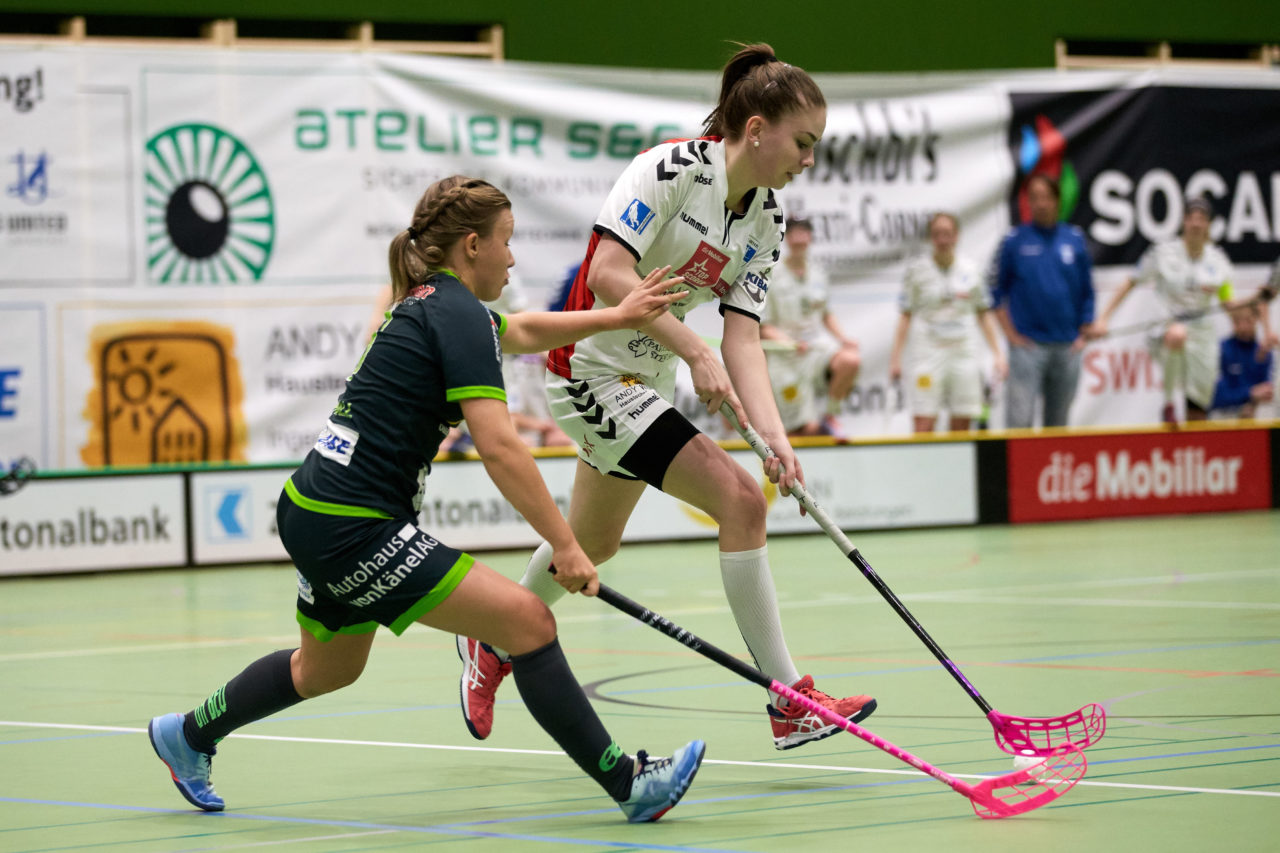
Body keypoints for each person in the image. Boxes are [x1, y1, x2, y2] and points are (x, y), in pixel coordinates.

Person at [147, 176, 706, 824]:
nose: (513, 257)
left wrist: (615, 314)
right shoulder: (457, 311)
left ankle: (186, 734)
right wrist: (566, 543)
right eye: (506, 242)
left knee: (326, 669)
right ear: (473, 245)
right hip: (354, 523)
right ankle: (629, 782)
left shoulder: (434, 301)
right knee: (529, 620)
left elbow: (521, 329)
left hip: (313, 506)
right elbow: (499, 447)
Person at [455, 44, 876, 753]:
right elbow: (609, 275)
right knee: (741, 502)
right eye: (802, 143)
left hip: (644, 378)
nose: (809, 159)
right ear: (755, 129)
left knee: (594, 541)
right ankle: (789, 700)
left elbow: (742, 337)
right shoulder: (671, 169)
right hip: (587, 369)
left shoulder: (766, 220)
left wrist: (776, 437)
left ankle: (491, 636)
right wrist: (691, 346)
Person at [1091, 197, 1274, 424]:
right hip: (1166, 327)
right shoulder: (1161, 254)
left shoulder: (1218, 262)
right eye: (1191, 218)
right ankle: (1168, 404)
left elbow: (1230, 305)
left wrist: (1258, 298)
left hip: (1202, 336)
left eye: (1201, 219)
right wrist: (1103, 318)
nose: (1196, 223)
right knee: (1177, 335)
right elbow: (1131, 282)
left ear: (1208, 224)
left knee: (1199, 407)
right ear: (1183, 222)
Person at [990, 173, 1095, 428]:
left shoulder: (1074, 239)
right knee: (1019, 422)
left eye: (1046, 197)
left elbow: (1087, 291)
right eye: (1034, 198)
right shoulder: (1013, 241)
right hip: (1028, 348)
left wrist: (1085, 329)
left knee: (1058, 425)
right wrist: (1011, 335)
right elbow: (994, 292)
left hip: (1067, 347)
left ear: (1057, 201)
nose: (1041, 204)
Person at [889, 212, 1007, 433]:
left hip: (962, 351)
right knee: (924, 422)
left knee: (962, 420)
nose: (942, 239)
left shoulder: (972, 270)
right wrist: (895, 359)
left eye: (947, 234)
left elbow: (983, 313)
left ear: (956, 236)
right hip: (927, 352)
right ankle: (922, 468)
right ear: (930, 238)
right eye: (937, 234)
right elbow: (905, 315)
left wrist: (998, 354)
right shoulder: (917, 271)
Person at [759, 216, 861, 437]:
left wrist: (843, 339)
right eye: (794, 234)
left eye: (804, 233)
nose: (799, 239)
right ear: (787, 239)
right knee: (800, 431)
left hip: (814, 350)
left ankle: (831, 415)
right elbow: (762, 326)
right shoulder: (771, 273)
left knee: (850, 360)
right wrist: (787, 343)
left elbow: (825, 314)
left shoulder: (818, 273)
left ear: (810, 237)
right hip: (784, 358)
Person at [1210, 302, 1274, 418]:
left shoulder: (1264, 353)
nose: (1243, 327)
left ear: (1256, 320)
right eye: (1237, 322)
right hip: (1225, 416)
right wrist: (1250, 393)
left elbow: (1267, 392)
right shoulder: (1222, 349)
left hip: (1256, 416)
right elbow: (1215, 396)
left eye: (1248, 321)